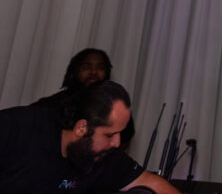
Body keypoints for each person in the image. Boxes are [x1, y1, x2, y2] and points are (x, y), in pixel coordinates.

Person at [0, 80, 179, 193]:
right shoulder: (18, 127)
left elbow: (153, 184)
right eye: (110, 134)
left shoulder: (103, 155)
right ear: (82, 128)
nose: (117, 143)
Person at [35, 47, 136, 149]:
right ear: (75, 70)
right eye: (86, 67)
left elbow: (126, 136)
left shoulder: (115, 106)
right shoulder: (57, 102)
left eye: (100, 67)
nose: (93, 72)